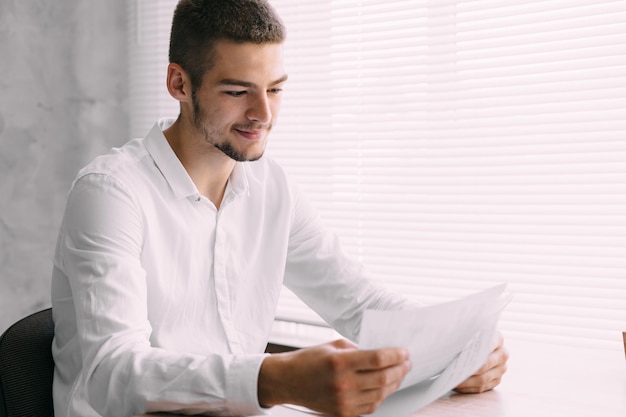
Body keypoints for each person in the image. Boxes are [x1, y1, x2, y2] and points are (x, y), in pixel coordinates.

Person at [50, 1, 508, 416]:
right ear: (179, 84)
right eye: (237, 92)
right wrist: (275, 378)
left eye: (275, 89)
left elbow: (361, 304)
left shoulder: (272, 189)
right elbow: (112, 371)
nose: (263, 114)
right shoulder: (111, 192)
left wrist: (453, 351)